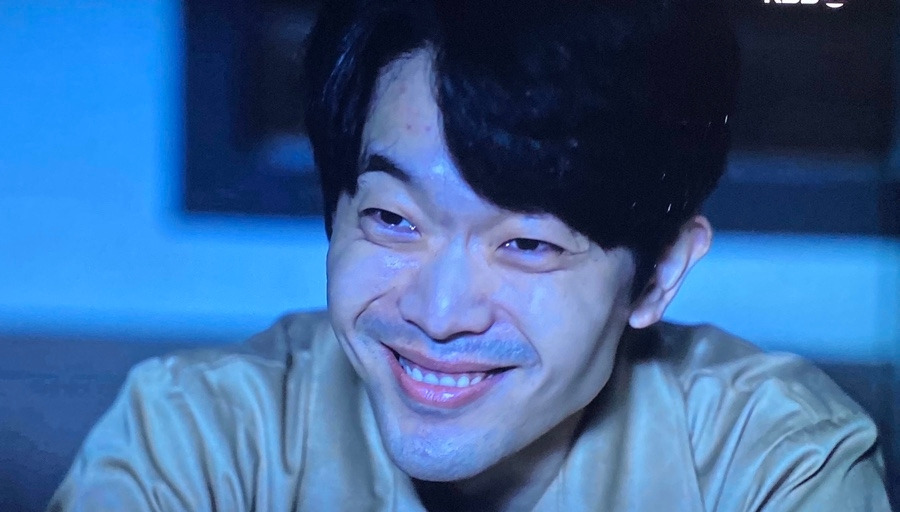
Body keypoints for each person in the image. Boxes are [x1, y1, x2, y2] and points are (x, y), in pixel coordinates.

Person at [49, 0, 891, 510]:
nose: (439, 313)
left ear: (659, 273)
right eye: (392, 220)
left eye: (527, 243)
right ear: (334, 212)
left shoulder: (771, 463)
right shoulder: (198, 440)